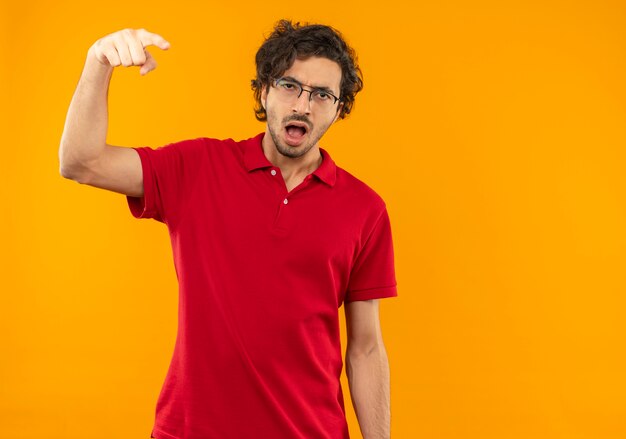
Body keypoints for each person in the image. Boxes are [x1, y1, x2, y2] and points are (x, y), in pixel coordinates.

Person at [59, 20, 397, 439]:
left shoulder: (365, 209)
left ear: (338, 107)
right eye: (290, 85)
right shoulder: (198, 168)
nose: (303, 106)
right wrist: (98, 62)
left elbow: (365, 347)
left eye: (323, 95)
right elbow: (80, 161)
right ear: (263, 91)